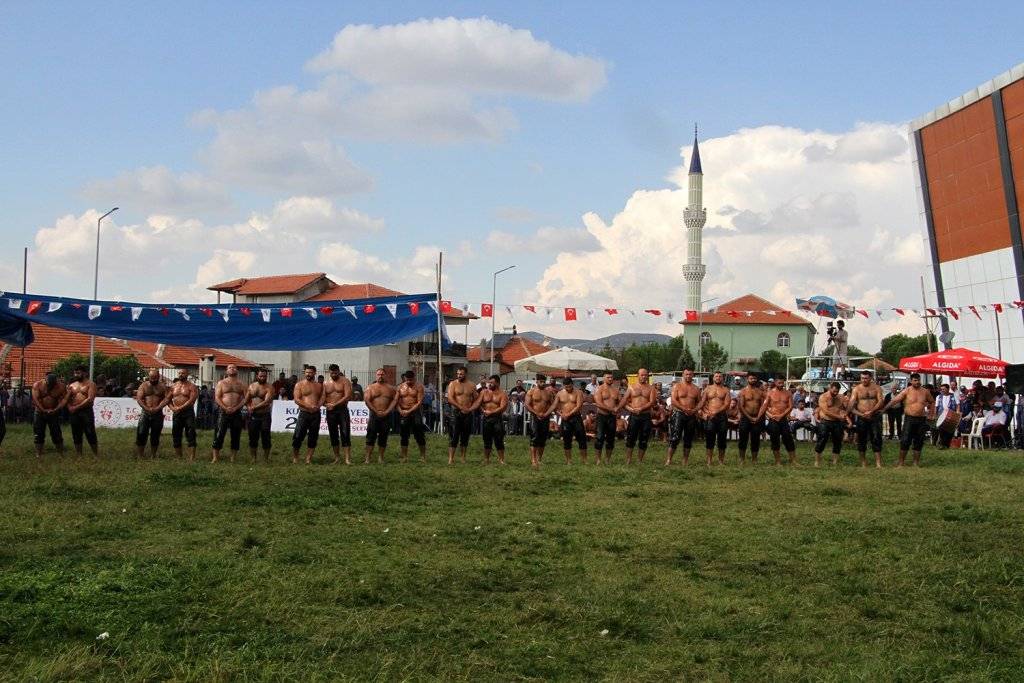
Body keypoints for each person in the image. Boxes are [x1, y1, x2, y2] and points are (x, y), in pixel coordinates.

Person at [883, 373, 935, 467]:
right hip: (909, 419)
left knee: (918, 441)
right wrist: (884, 409)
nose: (917, 382)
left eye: (918, 380)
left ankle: (915, 463)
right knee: (905, 440)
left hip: (921, 419)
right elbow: (894, 401)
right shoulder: (906, 391)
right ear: (911, 381)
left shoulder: (925, 391)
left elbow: (932, 402)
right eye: (915, 380)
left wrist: (931, 414)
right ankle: (901, 462)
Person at [849, 370, 885, 468]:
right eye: (862, 378)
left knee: (876, 438)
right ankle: (863, 463)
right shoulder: (856, 389)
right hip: (862, 417)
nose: (864, 380)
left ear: (870, 378)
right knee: (861, 440)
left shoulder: (877, 388)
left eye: (866, 378)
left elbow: (880, 401)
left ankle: (878, 463)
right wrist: (860, 414)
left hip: (874, 416)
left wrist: (871, 411)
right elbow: (851, 405)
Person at [758, 377, 798, 465]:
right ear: (775, 383)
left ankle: (793, 460)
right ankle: (778, 461)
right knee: (775, 440)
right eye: (779, 383)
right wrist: (770, 415)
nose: (781, 384)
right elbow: (764, 407)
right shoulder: (770, 393)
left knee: (788, 439)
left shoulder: (788, 393)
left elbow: (790, 406)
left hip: (783, 419)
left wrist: (781, 415)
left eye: (782, 383)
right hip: (773, 420)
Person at [666, 369, 701, 466]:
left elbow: (700, 402)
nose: (688, 376)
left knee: (688, 438)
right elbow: (673, 400)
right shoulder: (677, 386)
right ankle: (669, 460)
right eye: (686, 374)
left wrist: (695, 410)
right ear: (683, 375)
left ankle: (685, 460)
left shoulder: (696, 389)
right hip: (679, 413)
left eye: (690, 374)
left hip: (691, 415)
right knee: (675, 438)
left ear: (693, 375)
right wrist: (684, 408)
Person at [212, 364, 246, 463]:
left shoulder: (242, 384)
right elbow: (217, 397)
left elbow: (245, 398)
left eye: (234, 367)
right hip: (223, 411)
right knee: (219, 434)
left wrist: (236, 408)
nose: (232, 369)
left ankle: (233, 458)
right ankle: (215, 457)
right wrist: (225, 407)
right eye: (230, 368)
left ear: (237, 370)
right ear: (227, 371)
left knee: (235, 435)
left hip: (237, 412)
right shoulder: (221, 383)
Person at [363, 368, 398, 463]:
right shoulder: (370, 387)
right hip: (374, 415)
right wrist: (375, 411)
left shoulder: (391, 388)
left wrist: (387, 411)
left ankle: (381, 458)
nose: (380, 376)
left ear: (385, 375)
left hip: (386, 416)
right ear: (376, 375)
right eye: (378, 374)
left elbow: (394, 400)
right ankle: (367, 458)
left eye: (382, 374)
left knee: (383, 437)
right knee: (370, 437)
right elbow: (367, 400)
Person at [445, 367, 480, 464]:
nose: (459, 375)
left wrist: (471, 408)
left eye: (461, 374)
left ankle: (463, 458)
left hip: (468, 413)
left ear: (466, 374)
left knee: (465, 436)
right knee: (454, 436)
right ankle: (451, 458)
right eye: (458, 374)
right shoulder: (453, 384)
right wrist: (461, 407)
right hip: (456, 412)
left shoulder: (472, 385)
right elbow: (450, 399)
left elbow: (476, 398)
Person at [292, 365, 324, 464]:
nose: (308, 374)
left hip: (315, 414)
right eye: (306, 372)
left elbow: (322, 397)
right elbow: (297, 399)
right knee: (298, 436)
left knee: (313, 437)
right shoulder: (299, 385)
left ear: (314, 373)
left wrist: (318, 406)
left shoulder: (319, 385)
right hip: (304, 413)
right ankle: (295, 457)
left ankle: (308, 459)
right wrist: (308, 406)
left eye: (310, 372)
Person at [697, 371, 730, 465]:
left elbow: (727, 404)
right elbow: (702, 403)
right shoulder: (707, 389)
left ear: (722, 378)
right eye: (716, 376)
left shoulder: (726, 390)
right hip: (710, 417)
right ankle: (709, 461)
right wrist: (700, 412)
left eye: (720, 376)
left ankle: (721, 461)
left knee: (722, 440)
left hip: (722, 417)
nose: (718, 378)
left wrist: (717, 411)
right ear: (713, 378)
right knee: (710, 439)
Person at [134, 370, 169, 458]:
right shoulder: (143, 385)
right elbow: (139, 398)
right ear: (148, 377)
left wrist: (158, 408)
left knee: (155, 434)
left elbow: (167, 399)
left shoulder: (162, 386)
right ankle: (140, 455)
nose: (153, 380)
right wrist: (146, 408)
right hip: (145, 413)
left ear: (159, 377)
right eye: (151, 378)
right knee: (141, 433)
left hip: (157, 413)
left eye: (155, 378)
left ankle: (153, 455)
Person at [323, 364, 354, 464]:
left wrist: (334, 404)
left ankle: (347, 459)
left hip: (342, 410)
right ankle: (336, 458)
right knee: (333, 434)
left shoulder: (345, 381)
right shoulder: (325, 383)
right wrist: (325, 404)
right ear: (329, 372)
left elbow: (347, 395)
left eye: (335, 372)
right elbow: (322, 397)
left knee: (345, 433)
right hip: (330, 411)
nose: (333, 374)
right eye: (332, 373)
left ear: (339, 371)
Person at [32, 372, 68, 457]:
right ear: (45, 380)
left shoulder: (61, 386)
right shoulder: (37, 385)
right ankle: (38, 454)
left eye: (53, 385)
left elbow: (65, 399)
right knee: (38, 433)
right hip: (39, 412)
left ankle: (60, 453)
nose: (51, 387)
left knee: (56, 433)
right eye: (49, 385)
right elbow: (35, 400)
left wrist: (56, 409)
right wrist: (43, 410)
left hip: (53, 412)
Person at [243, 368, 275, 462]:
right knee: (253, 437)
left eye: (264, 376)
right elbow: (246, 399)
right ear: (257, 376)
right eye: (261, 376)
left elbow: (266, 402)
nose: (262, 378)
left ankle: (266, 458)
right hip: (253, 415)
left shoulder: (270, 387)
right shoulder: (252, 386)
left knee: (266, 436)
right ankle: (253, 458)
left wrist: (254, 407)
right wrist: (249, 406)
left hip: (264, 415)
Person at [66, 365, 99, 457]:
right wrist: (69, 407)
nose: (76, 374)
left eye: (79, 373)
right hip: (74, 412)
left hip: (86, 411)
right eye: (75, 373)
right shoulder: (71, 385)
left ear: (85, 373)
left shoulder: (91, 384)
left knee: (90, 432)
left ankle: (95, 454)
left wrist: (76, 407)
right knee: (76, 433)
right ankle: (79, 455)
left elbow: (90, 399)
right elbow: (66, 398)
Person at [525, 374, 556, 468]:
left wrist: (546, 414)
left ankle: (539, 459)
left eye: (544, 382)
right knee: (534, 438)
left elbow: (552, 405)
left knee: (542, 439)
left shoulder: (548, 392)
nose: (542, 383)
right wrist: (536, 413)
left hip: (545, 417)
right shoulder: (531, 391)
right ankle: (533, 460)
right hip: (535, 417)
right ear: (537, 381)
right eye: (540, 382)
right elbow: (527, 405)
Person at [397, 370, 427, 463]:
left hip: (415, 412)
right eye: (407, 380)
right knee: (404, 435)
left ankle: (422, 457)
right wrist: (401, 411)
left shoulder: (419, 387)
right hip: (403, 412)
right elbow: (396, 401)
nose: (409, 382)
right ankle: (404, 457)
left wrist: (409, 411)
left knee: (419, 435)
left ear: (414, 378)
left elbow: (419, 402)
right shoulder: (400, 387)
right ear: (404, 378)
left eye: (411, 380)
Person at [813, 382, 846, 466]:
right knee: (822, 440)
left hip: (837, 422)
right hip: (825, 421)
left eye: (837, 391)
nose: (835, 393)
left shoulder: (841, 397)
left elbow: (844, 408)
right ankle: (817, 462)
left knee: (838, 441)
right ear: (830, 388)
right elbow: (826, 411)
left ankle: (835, 462)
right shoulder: (823, 397)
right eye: (834, 391)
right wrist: (839, 417)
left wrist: (844, 413)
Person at [555, 376, 587, 463]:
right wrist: (561, 414)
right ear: (563, 386)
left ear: (572, 384)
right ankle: (568, 460)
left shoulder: (578, 392)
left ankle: (584, 459)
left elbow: (579, 405)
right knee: (567, 439)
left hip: (576, 417)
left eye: (569, 386)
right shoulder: (559, 394)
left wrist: (569, 414)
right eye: (566, 387)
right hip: (565, 419)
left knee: (582, 438)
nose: (568, 388)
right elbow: (555, 407)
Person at [169, 369, 199, 461]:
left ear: (187, 374)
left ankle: (191, 458)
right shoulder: (173, 386)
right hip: (177, 413)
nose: (181, 374)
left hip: (188, 412)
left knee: (191, 433)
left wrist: (180, 407)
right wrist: (172, 408)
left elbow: (192, 400)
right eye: (179, 373)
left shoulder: (192, 386)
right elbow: (168, 399)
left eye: (183, 373)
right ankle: (179, 457)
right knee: (176, 433)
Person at [479, 374, 509, 464]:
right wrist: (483, 411)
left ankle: (501, 460)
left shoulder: (502, 394)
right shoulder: (484, 392)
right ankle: (486, 459)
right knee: (487, 440)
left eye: (492, 383)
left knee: (499, 440)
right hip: (486, 419)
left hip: (497, 419)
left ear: (497, 383)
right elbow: (479, 403)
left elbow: (503, 407)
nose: (490, 384)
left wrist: (491, 412)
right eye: (489, 382)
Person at [736, 373, 765, 465]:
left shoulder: (760, 392)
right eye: (751, 378)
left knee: (755, 439)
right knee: (743, 439)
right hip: (745, 418)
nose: (753, 380)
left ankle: (754, 459)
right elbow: (741, 406)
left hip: (757, 418)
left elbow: (762, 406)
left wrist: (758, 417)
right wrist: (749, 417)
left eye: (754, 378)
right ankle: (741, 459)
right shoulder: (743, 391)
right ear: (747, 379)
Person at [593, 372, 620, 465]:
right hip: (601, 416)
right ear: (604, 378)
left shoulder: (616, 390)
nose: (610, 379)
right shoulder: (599, 389)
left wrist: (618, 408)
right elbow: (599, 403)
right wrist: (612, 409)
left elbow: (620, 401)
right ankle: (598, 459)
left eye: (611, 377)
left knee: (610, 439)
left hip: (612, 417)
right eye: (608, 377)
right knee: (599, 438)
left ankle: (608, 459)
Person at [933, 383, 959, 450]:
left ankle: (947, 445)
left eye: (943, 389)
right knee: (941, 430)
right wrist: (935, 415)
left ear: (948, 389)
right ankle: (942, 444)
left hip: (951, 415)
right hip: (941, 415)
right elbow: (936, 407)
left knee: (950, 431)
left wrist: (957, 413)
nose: (942, 390)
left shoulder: (954, 396)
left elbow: (958, 405)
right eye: (941, 389)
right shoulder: (938, 397)